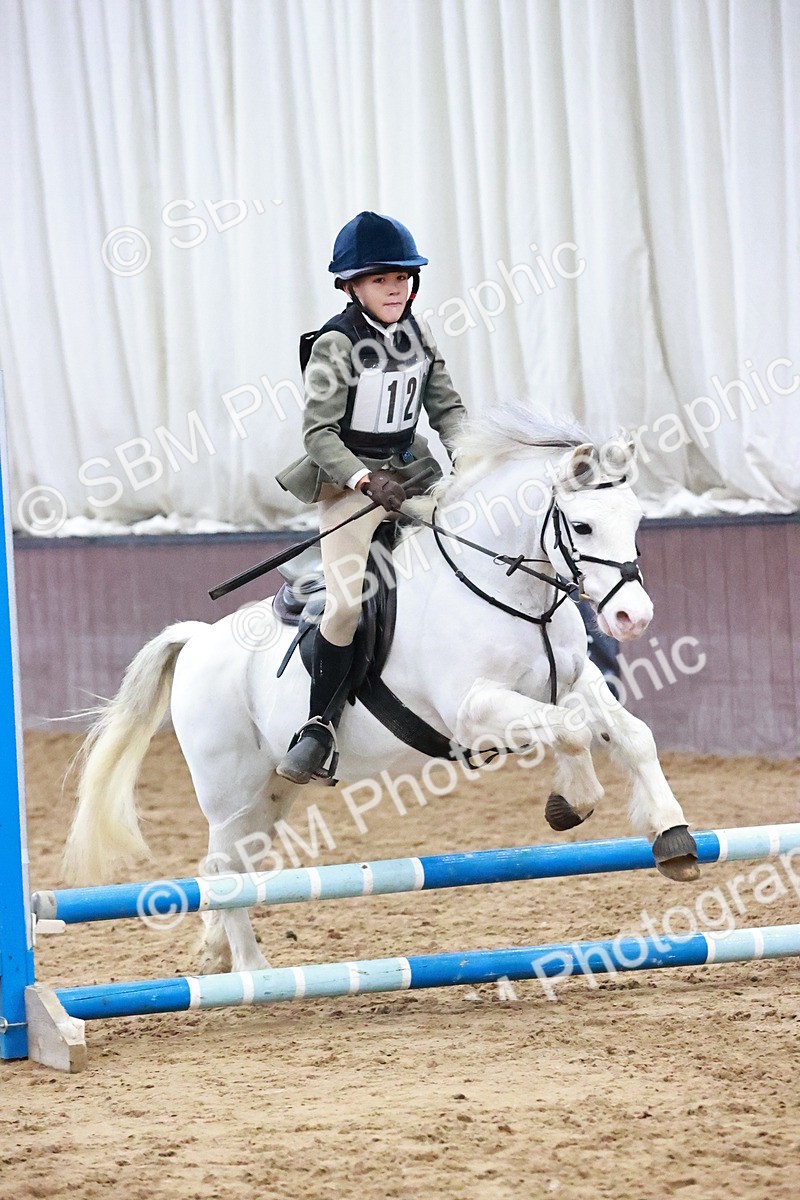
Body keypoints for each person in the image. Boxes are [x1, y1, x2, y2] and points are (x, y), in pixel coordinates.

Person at [275, 211, 467, 783]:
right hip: (348, 486)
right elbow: (317, 435)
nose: (397, 288)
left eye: (404, 278)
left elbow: (448, 410)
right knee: (346, 604)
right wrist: (362, 480)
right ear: (352, 285)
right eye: (383, 279)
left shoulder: (419, 333)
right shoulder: (336, 344)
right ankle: (319, 725)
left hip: (412, 477)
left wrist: (472, 461)